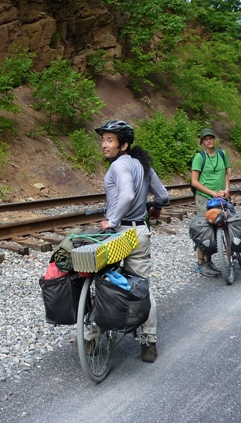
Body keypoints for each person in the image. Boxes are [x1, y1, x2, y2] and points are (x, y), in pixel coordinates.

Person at [94, 119, 170, 363]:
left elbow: (126, 194)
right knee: (141, 285)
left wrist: (112, 220)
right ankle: (149, 342)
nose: (104, 145)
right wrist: (155, 209)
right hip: (140, 233)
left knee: (105, 281)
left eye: (110, 140)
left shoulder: (119, 166)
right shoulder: (144, 166)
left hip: (119, 234)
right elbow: (163, 195)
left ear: (123, 145)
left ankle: (91, 334)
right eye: (103, 140)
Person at [190, 128, 231, 278]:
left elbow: (226, 173)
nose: (209, 141)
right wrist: (212, 192)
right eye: (205, 139)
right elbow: (194, 182)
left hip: (221, 197)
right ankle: (201, 262)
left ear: (214, 139)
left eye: (211, 138)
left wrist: (227, 189)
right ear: (202, 142)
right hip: (204, 198)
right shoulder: (199, 157)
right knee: (205, 228)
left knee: (222, 224)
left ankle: (211, 259)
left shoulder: (222, 154)